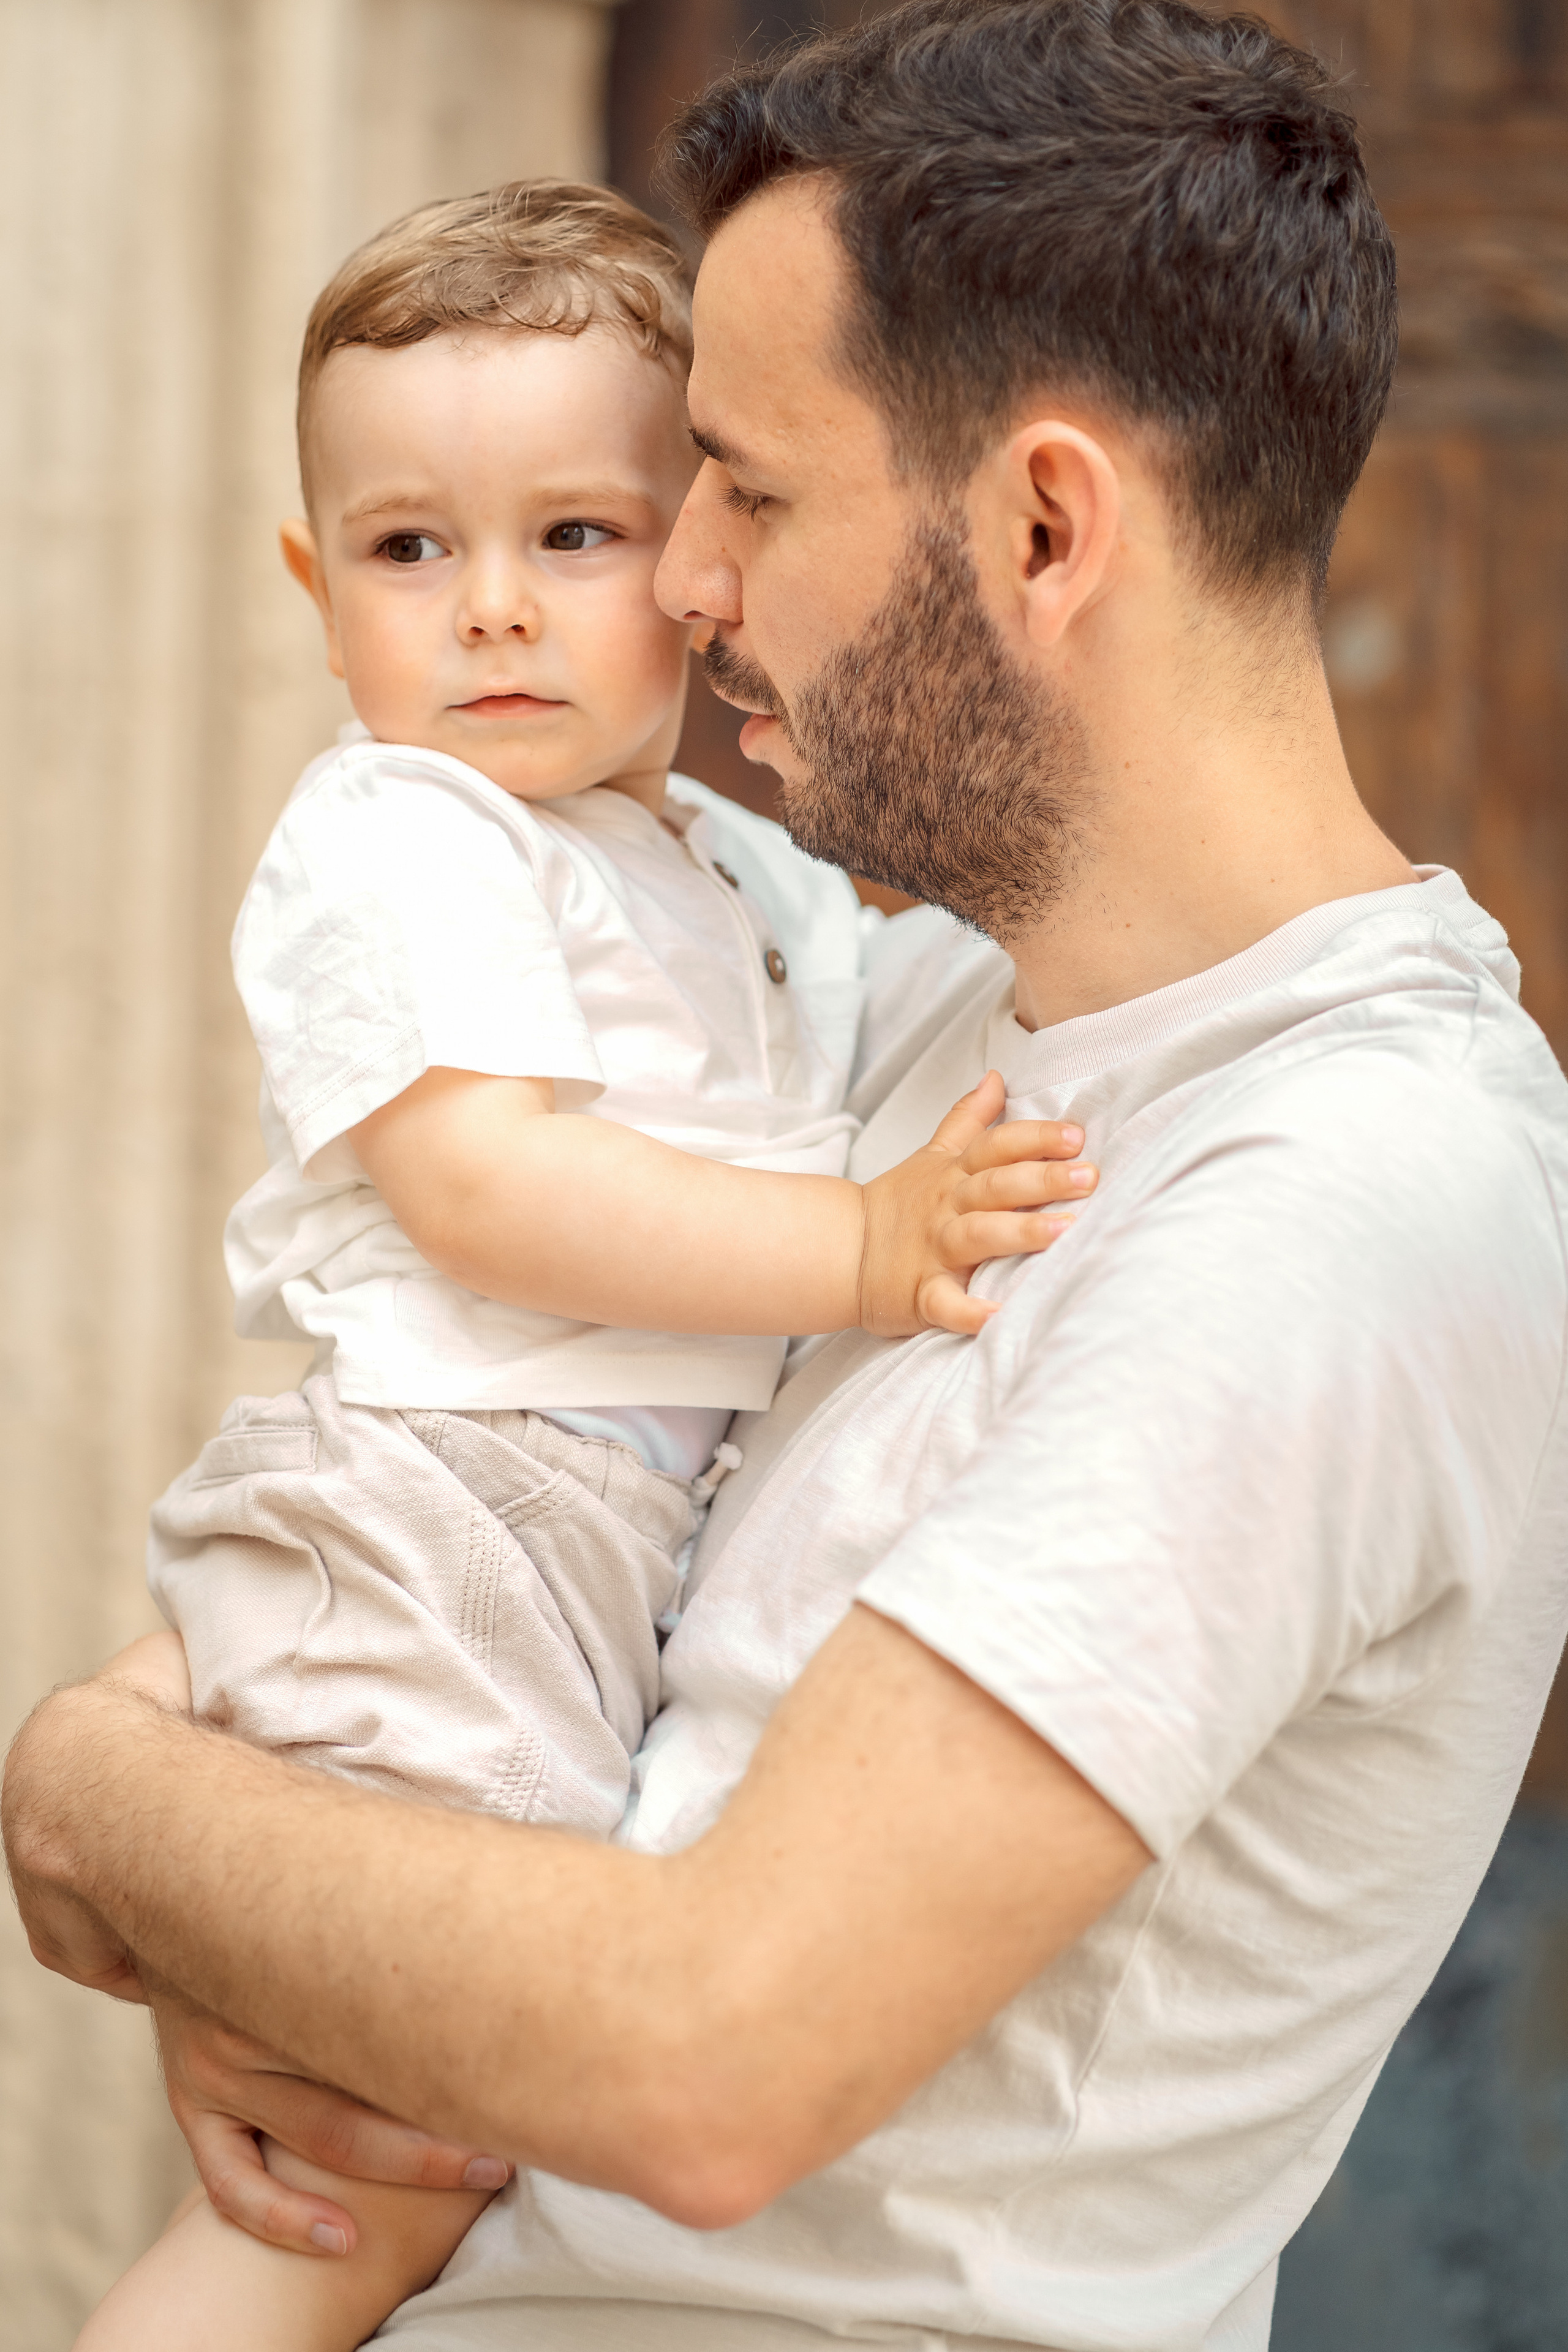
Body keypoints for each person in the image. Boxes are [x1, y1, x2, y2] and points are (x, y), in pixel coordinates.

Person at [8, 4, 1568, 2349]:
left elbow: (704, 2057)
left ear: (1043, 526)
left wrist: (97, 1800)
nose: (685, 581)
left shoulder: (1348, 1202)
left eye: (740, 485)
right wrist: (258, 1861)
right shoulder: (926, 1010)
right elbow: (500, 1443)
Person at [59, 178, 1083, 2352]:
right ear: (316, 588)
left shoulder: (725, 866)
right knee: (351, 2195)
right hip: (450, 1521)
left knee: (410, 2159)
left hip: (586, 1539)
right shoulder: (397, 837)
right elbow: (491, 1189)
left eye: (577, 539)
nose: (495, 614)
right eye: (414, 550)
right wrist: (865, 1247)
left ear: (703, 577)